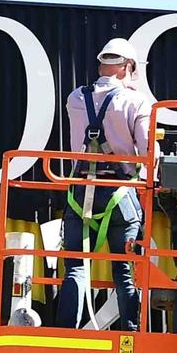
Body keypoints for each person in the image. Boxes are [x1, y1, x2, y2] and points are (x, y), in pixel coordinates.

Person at [55, 38, 155, 332]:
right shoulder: (135, 101)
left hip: (80, 189)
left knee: (75, 266)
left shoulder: (75, 98)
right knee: (123, 270)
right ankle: (131, 334)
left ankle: (65, 333)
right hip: (119, 193)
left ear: (102, 65)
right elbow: (149, 152)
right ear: (126, 67)